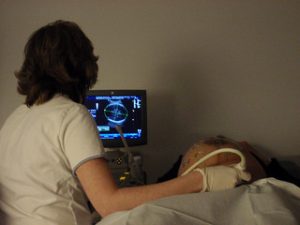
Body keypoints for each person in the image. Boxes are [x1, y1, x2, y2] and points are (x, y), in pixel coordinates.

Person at [0, 20, 249, 225]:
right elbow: (109, 202)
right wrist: (202, 179)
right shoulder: (71, 114)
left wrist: (124, 165)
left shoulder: (14, 120)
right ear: (82, 66)